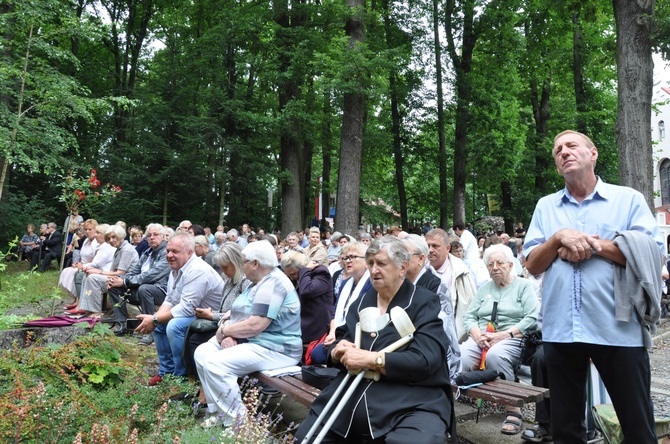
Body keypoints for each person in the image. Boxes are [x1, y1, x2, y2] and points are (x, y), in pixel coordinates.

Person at [524, 130, 664, 444]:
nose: (563, 151)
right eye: (557, 149)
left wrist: (592, 244)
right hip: (562, 330)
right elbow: (532, 264)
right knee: (566, 430)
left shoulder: (627, 199)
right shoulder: (546, 207)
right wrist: (559, 236)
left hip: (618, 327)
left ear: (593, 153)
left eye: (571, 145)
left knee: (638, 427)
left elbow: (653, 254)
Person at [295, 236, 456, 443]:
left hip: (411, 398)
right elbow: (343, 337)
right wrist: (336, 350)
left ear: (402, 267)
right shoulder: (362, 302)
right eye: (370, 263)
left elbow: (427, 359)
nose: (373, 270)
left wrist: (373, 360)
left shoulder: (423, 301)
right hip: (353, 392)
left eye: (381, 263)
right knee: (307, 437)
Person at [193, 240, 302, 428]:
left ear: (256, 263)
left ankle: (237, 424)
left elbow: (256, 325)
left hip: (277, 349)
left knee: (216, 365)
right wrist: (227, 331)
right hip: (256, 343)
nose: (242, 265)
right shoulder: (258, 283)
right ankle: (217, 411)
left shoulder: (273, 284)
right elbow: (236, 313)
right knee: (202, 353)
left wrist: (225, 330)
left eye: (244, 261)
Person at [459, 244, 539, 435]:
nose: (494, 267)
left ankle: (513, 408)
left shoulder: (524, 286)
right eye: (490, 264)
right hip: (483, 336)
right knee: (462, 356)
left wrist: (504, 334)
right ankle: (478, 395)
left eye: (499, 263)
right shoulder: (485, 288)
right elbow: (469, 316)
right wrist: (477, 335)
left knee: (496, 356)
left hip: (512, 336)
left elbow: (532, 317)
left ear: (511, 265)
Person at [134, 232, 224, 385]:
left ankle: (181, 376)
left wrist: (155, 319)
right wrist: (155, 319)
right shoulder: (177, 268)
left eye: (175, 251)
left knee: (174, 326)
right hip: (195, 312)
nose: (169, 255)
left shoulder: (197, 270)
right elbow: (170, 299)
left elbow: (187, 309)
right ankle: (166, 372)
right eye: (168, 250)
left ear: (190, 252)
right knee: (160, 324)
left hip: (210, 316)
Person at [184, 242, 252, 380]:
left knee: (196, 340)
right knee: (191, 331)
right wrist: (211, 313)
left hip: (236, 329)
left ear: (236, 262)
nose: (223, 271)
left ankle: (201, 381)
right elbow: (226, 310)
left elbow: (240, 314)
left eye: (225, 267)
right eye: (220, 267)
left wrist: (212, 315)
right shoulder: (229, 281)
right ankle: (193, 378)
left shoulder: (246, 283)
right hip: (223, 324)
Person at [404, 234, 460, 381]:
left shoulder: (435, 285)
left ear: (421, 259)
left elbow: (444, 329)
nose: (399, 260)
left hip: (427, 351)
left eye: (404, 255)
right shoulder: (399, 284)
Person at [104, 223, 170, 341]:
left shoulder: (166, 253)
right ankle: (123, 324)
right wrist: (119, 280)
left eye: (155, 234)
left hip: (162, 292)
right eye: (149, 235)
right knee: (113, 286)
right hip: (141, 289)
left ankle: (150, 330)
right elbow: (134, 271)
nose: (152, 237)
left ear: (163, 236)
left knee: (145, 288)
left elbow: (151, 276)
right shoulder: (147, 252)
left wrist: (125, 281)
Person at [68, 224, 139, 317]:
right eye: (109, 238)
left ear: (120, 236)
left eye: (114, 237)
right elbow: (113, 270)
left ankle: (96, 311)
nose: (111, 240)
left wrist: (99, 272)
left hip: (125, 281)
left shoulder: (126, 250)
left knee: (93, 278)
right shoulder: (119, 249)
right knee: (88, 275)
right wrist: (94, 270)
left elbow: (121, 273)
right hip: (117, 278)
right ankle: (87, 307)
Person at [425, 228, 476, 342]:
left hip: (454, 333)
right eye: (428, 246)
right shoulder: (420, 270)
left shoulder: (461, 271)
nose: (430, 250)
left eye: (435, 246)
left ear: (447, 248)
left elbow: (471, 305)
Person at [281, 250, 334, 346]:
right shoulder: (294, 277)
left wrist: (304, 270)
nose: (291, 278)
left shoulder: (321, 272)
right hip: (299, 326)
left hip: (316, 329)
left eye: (293, 274)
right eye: (288, 275)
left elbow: (307, 290)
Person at [58, 219, 98, 308]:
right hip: (82, 264)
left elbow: (97, 260)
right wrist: (77, 263)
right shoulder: (86, 241)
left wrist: (83, 266)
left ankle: (80, 302)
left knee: (75, 273)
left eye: (90, 229)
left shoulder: (96, 242)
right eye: (86, 229)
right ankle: (75, 298)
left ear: (96, 230)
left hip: (91, 267)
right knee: (67, 271)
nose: (87, 231)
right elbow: (82, 255)